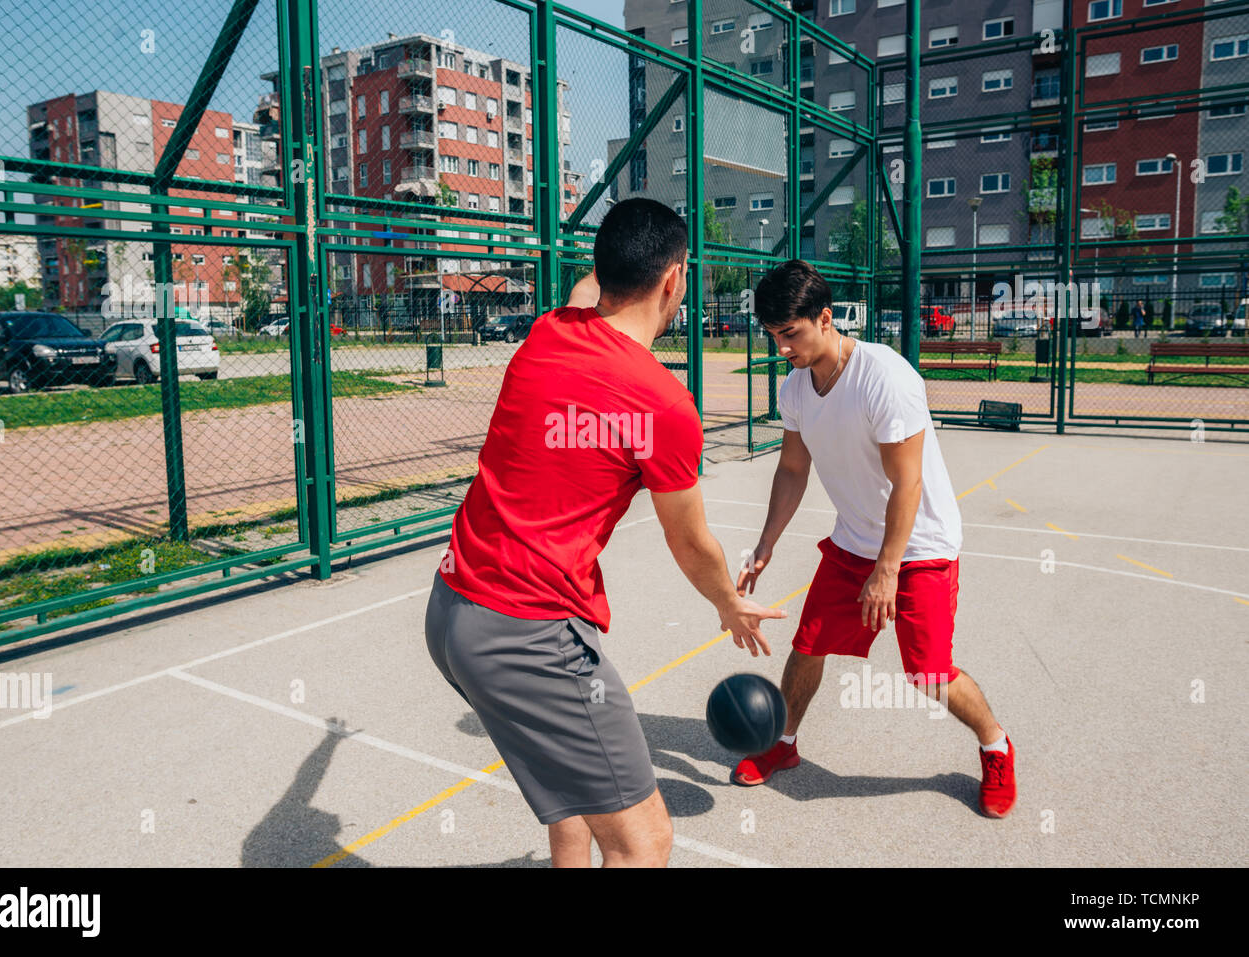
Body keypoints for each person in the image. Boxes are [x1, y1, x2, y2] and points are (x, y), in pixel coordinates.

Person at [426, 198, 786, 867]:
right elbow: (691, 542)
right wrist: (728, 602)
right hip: (526, 633)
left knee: (574, 798)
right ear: (676, 279)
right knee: (643, 839)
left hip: (450, 612)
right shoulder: (664, 405)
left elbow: (589, 289)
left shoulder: (549, 330)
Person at [732, 259, 1017, 820]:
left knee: (928, 671)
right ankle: (783, 744)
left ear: (826, 317)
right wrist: (765, 545)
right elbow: (792, 470)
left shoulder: (884, 377)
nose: (782, 348)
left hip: (920, 545)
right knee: (808, 645)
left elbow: (907, 482)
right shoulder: (796, 389)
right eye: (773, 336)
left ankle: (995, 745)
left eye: (791, 334)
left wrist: (887, 569)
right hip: (853, 540)